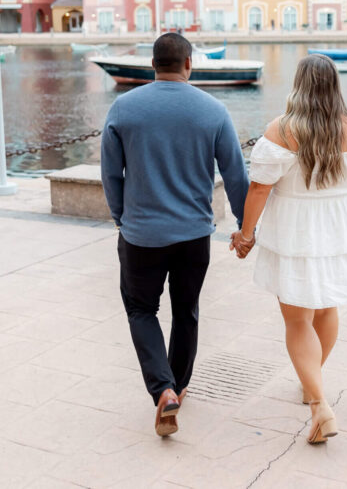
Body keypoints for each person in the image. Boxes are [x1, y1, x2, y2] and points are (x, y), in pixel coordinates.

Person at [101, 32, 249, 437]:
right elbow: (237, 176)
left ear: (153, 65)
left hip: (141, 235)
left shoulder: (123, 108)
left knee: (140, 310)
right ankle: (178, 387)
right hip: (193, 236)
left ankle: (161, 388)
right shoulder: (214, 111)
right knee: (186, 311)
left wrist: (121, 217)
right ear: (189, 65)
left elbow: (111, 174)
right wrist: (245, 227)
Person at [231, 54, 347, 444]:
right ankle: (310, 381)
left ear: (298, 84)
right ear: (336, 84)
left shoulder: (281, 130)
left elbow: (260, 187)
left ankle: (319, 404)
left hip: (296, 227)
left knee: (297, 318)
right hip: (341, 224)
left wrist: (246, 235)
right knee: (327, 305)